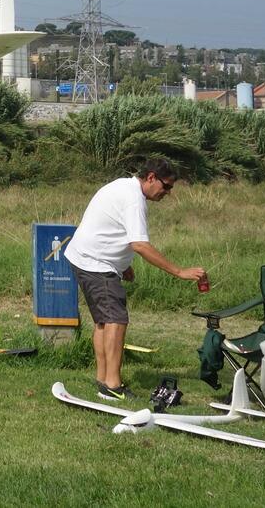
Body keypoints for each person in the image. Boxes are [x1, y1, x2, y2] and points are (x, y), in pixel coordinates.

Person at [63, 157, 207, 401]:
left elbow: (112, 227)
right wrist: (179, 271)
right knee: (116, 320)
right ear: (151, 177)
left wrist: (124, 265)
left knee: (103, 322)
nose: (168, 193)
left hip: (86, 258)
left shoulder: (124, 187)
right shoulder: (133, 200)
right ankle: (112, 385)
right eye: (166, 186)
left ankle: (103, 380)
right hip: (96, 263)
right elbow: (139, 244)